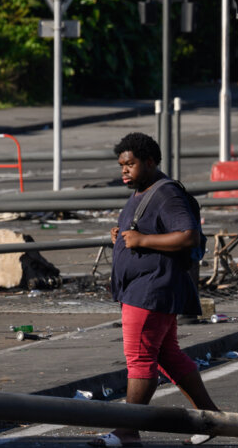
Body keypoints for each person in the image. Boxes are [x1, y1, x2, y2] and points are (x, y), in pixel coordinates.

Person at [89, 132, 218, 448]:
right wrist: (124, 234)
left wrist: (142, 240)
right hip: (144, 287)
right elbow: (147, 230)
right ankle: (210, 417)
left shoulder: (166, 194)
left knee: (140, 357)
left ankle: (127, 431)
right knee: (166, 355)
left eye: (130, 164)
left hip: (151, 289)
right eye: (121, 165)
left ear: (149, 161)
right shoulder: (142, 192)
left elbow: (187, 235)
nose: (124, 171)